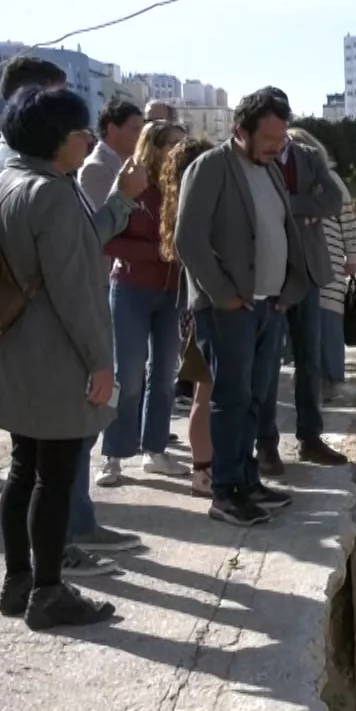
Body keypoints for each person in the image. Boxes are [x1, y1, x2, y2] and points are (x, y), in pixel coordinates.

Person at [0, 55, 145, 572]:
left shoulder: (5, 181)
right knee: (53, 479)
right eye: (80, 131)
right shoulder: (52, 193)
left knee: (23, 471)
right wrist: (101, 362)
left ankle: (18, 581)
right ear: (57, 137)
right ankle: (48, 589)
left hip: (16, 345)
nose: (87, 140)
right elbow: (73, 285)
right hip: (57, 353)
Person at [173, 88, 313, 526]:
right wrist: (222, 294)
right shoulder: (210, 169)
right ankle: (226, 490)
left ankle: (247, 479)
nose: (277, 147)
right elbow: (188, 239)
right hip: (229, 310)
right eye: (269, 138)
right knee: (231, 399)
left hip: (269, 306)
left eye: (281, 137)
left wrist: (285, 293)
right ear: (240, 131)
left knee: (255, 398)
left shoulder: (269, 170)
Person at [98, 120, 191, 485]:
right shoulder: (130, 182)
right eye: (174, 144)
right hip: (131, 289)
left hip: (172, 294)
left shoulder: (182, 185)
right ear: (154, 146)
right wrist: (157, 252)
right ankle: (114, 456)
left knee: (165, 375)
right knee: (129, 376)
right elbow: (107, 240)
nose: (180, 151)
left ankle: (155, 451)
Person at [258, 115, 348, 470]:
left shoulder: (309, 156)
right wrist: (301, 208)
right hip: (269, 272)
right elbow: (257, 206)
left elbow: (333, 200)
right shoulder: (253, 158)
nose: (277, 140)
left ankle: (310, 437)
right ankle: (265, 443)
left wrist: (287, 210)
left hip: (308, 271)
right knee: (268, 362)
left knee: (309, 359)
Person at [159, 137, 216, 495]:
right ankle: (205, 474)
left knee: (204, 391)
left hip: (190, 308)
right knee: (206, 393)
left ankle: (204, 471)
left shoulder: (176, 204)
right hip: (203, 307)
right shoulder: (196, 206)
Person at [291, 128, 356, 411]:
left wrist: (351, 254)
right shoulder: (289, 182)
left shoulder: (331, 181)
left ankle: (331, 381)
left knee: (328, 319)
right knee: (305, 324)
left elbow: (347, 219)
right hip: (299, 262)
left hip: (329, 261)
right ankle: (308, 383)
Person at [78, 99, 144, 211]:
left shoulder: (132, 164)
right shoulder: (95, 169)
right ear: (112, 129)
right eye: (136, 129)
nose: (142, 136)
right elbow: (101, 223)